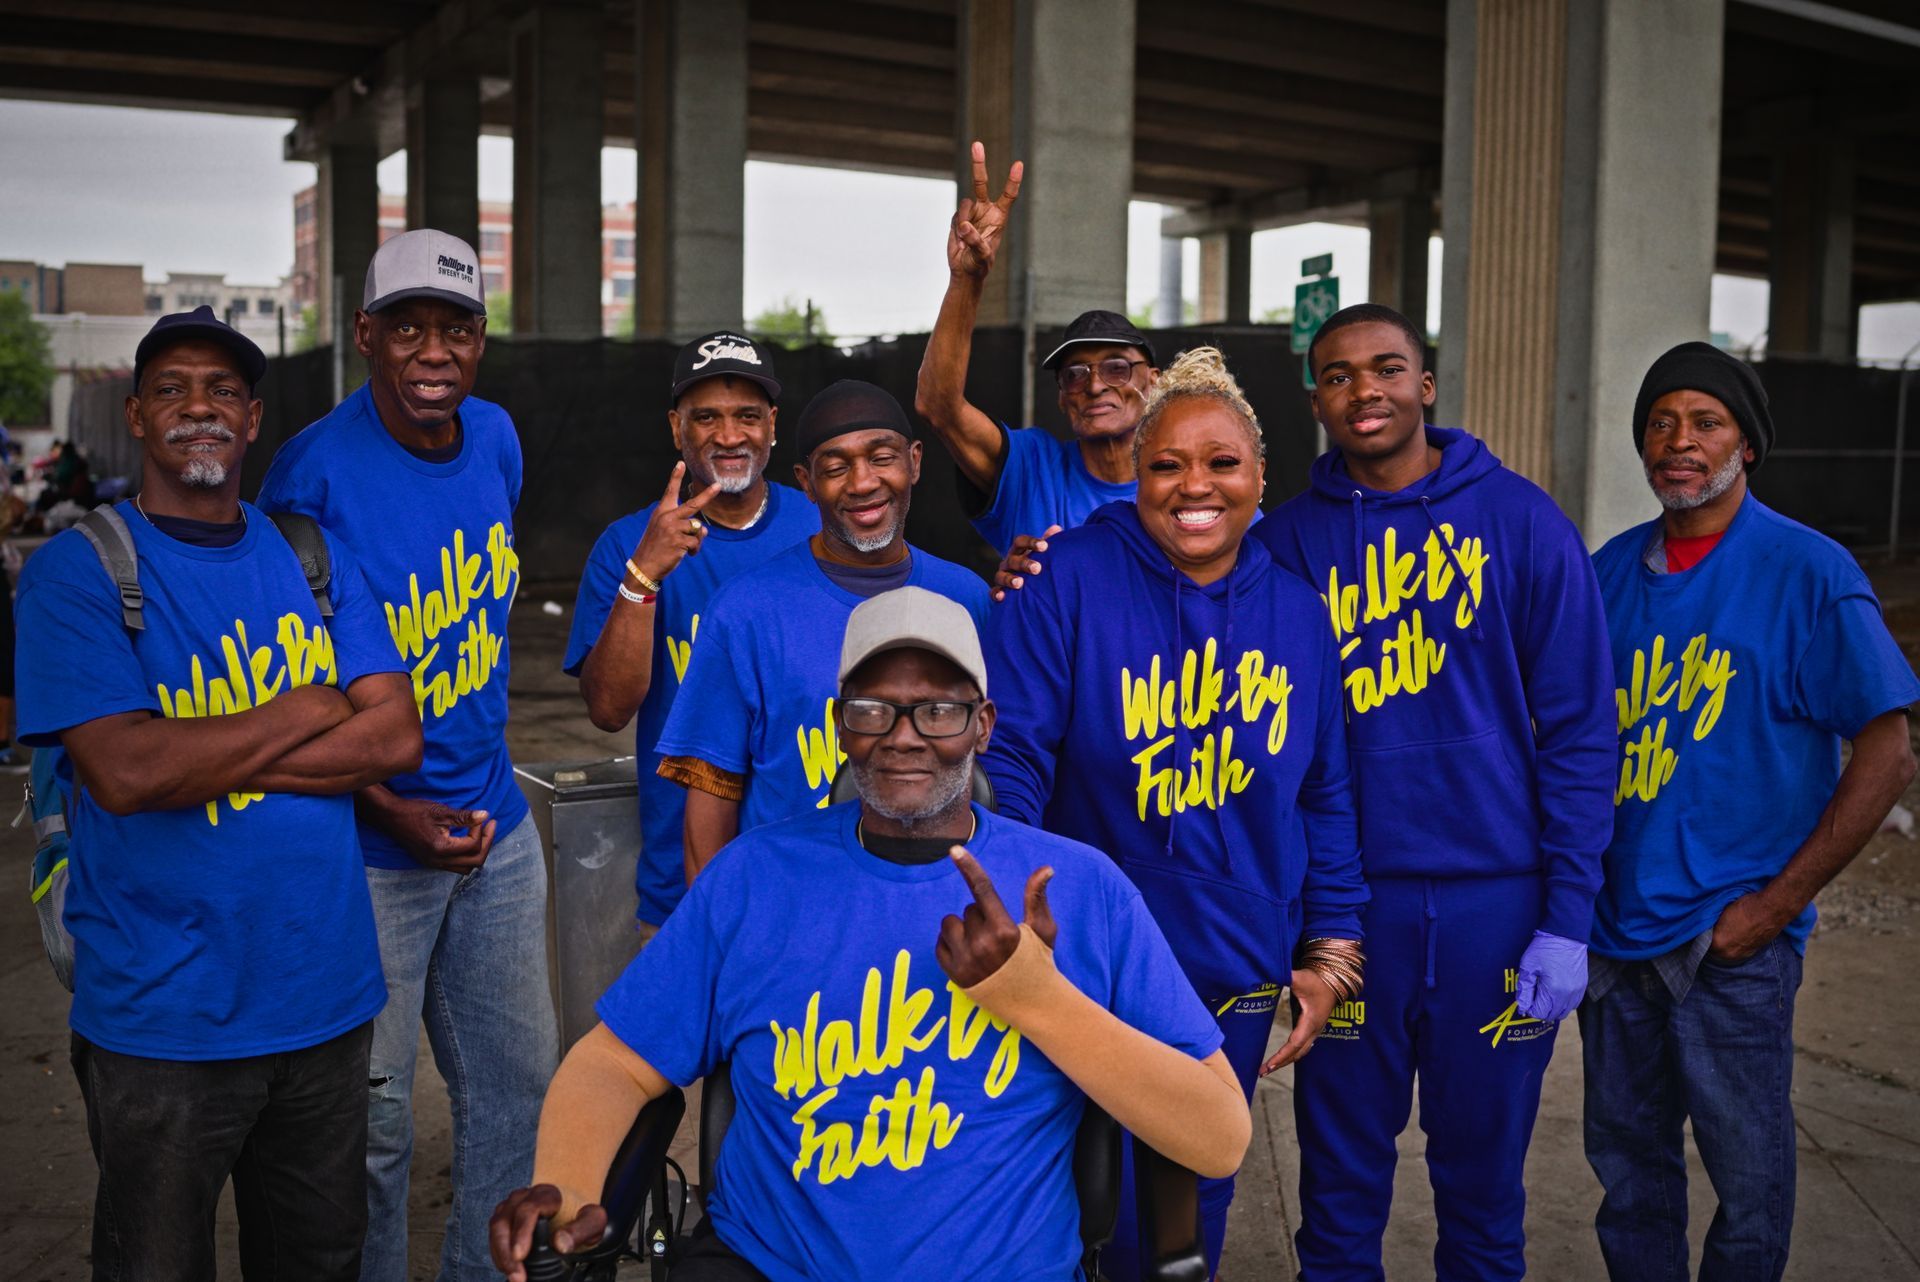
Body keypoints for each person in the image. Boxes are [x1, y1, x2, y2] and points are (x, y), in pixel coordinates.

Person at [489, 587, 1249, 1282]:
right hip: (767, 1264)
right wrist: (569, 1188)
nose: (904, 736)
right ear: (839, 724)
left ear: (984, 723)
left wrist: (1038, 999)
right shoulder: (754, 877)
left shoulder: (1081, 886)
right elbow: (616, 1063)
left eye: (939, 710)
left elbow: (1218, 1137)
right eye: (873, 708)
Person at [14, 307, 422, 1280]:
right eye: (173, 389)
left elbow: (396, 735)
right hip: (163, 1021)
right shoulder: (77, 572)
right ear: (139, 416)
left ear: (251, 421)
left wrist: (191, 749)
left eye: (223, 391)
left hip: (326, 1005)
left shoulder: (310, 557)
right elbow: (126, 771)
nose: (200, 407)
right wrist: (309, 708)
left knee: (318, 1261)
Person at [1248, 303, 1617, 1280]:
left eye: (1386, 367)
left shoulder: (1525, 522)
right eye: (1337, 373)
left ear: (1427, 384)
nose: (1363, 389)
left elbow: (1583, 729)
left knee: (1484, 1194)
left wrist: (1568, 917)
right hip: (1348, 908)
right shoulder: (1282, 543)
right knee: (1337, 1196)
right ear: (1316, 399)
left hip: (1495, 905)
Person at [980, 346, 1366, 1279]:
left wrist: (1333, 951)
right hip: (1083, 972)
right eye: (1166, 464)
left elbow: (1325, 794)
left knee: (1185, 1224)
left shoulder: (1300, 615)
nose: (1195, 486)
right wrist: (1018, 909)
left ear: (1260, 478)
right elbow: (1011, 758)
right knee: (1061, 1210)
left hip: (1227, 980)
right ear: (1137, 475)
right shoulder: (1066, 577)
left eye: (1222, 463)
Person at [256, 229, 558, 1282]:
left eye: (458, 328)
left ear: (479, 341)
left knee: (520, 1090)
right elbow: (288, 688)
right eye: (411, 328)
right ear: (366, 335)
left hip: (495, 824)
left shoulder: (498, 438)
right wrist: (390, 808)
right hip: (370, 846)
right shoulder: (311, 475)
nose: (436, 351)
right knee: (371, 1125)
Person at [1584, 342, 1919, 1282]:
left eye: (1705, 422)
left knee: (1750, 1181)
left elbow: (1888, 753)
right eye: (1659, 422)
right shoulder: (1609, 573)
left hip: (1730, 944)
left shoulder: (1806, 571)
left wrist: (1772, 909)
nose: (1678, 442)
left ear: (1748, 445)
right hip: (1616, 942)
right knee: (1630, 1177)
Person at [654, 379, 991, 874]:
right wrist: (723, 932)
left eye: (882, 458)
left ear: (914, 462)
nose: (862, 483)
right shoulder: (746, 610)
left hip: (937, 901)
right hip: (793, 903)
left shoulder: (967, 598)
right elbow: (711, 797)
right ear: (806, 482)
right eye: (835, 468)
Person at [565, 331, 815, 929]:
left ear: (773, 424)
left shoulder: (820, 527)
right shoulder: (628, 545)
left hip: (815, 874)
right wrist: (643, 576)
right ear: (677, 428)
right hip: (683, 891)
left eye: (747, 416)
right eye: (706, 417)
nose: (729, 436)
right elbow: (607, 709)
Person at [915, 141, 1159, 559]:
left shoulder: (1185, 482)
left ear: (1154, 382)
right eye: (1075, 374)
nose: (1095, 386)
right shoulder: (1033, 468)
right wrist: (966, 282)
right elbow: (939, 406)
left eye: (1117, 368)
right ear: (1063, 398)